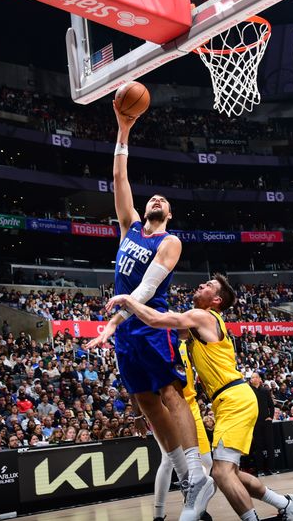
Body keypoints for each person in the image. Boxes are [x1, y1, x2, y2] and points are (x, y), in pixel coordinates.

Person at [84, 104, 212, 520]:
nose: (156, 199)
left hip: (151, 326)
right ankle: (183, 475)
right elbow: (119, 178)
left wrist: (116, 317)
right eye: (152, 197)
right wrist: (123, 131)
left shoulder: (170, 241)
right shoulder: (130, 227)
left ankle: (197, 471)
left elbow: (147, 288)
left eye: (163, 200)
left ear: (169, 214)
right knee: (143, 400)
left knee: (170, 394)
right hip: (125, 331)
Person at [107, 274, 293, 521]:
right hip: (226, 400)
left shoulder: (203, 316)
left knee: (221, 473)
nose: (201, 285)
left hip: (234, 398)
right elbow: (168, 331)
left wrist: (129, 300)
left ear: (216, 300)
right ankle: (285, 503)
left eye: (208, 285)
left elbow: (157, 319)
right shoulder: (198, 323)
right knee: (227, 471)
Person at [150, 338, 214, 521]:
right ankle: (159, 513)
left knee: (207, 462)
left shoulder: (186, 344)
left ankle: (195, 504)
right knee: (168, 460)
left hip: (191, 408)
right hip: (168, 408)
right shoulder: (157, 344)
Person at [249, 372, 278, 476]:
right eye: (253, 377)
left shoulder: (265, 390)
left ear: (260, 379)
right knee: (258, 446)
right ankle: (260, 470)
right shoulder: (248, 391)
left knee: (270, 445)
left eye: (256, 377)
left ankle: (272, 468)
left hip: (266, 421)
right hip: (255, 422)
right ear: (251, 380)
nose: (255, 379)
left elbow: (271, 405)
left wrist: (271, 416)